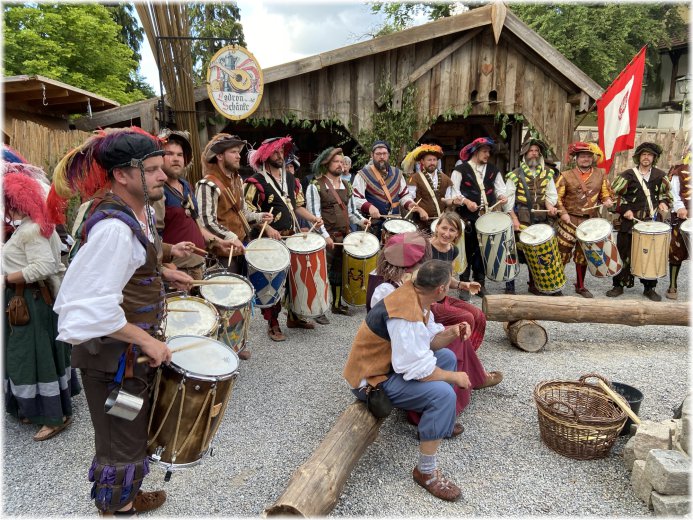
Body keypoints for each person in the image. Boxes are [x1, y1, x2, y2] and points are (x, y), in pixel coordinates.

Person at [51, 127, 196, 516]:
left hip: (126, 353)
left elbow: (135, 257)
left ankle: (124, 494)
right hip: (113, 357)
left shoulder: (138, 209)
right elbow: (88, 308)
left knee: (130, 430)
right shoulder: (113, 228)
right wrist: (147, 342)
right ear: (122, 175)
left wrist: (165, 266)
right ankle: (118, 507)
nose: (163, 175)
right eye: (151, 170)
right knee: (120, 436)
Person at [344, 259, 471, 502]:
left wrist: (452, 331)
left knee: (445, 356)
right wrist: (454, 378)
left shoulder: (417, 296)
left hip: (388, 367)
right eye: (449, 285)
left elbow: (429, 344)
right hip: (372, 381)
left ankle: (433, 424)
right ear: (441, 290)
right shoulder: (406, 313)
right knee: (444, 394)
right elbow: (417, 369)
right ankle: (425, 472)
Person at [367, 228, 501, 423]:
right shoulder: (390, 292)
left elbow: (425, 327)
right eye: (422, 262)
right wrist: (449, 375)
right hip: (386, 360)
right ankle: (427, 411)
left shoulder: (405, 284)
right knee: (449, 349)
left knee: (456, 336)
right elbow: (408, 349)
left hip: (402, 346)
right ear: (412, 267)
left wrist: (451, 331)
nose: (425, 266)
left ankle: (468, 383)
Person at [3, 167, 80, 441]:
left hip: (29, 301)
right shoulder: (31, 225)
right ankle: (35, 408)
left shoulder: (32, 229)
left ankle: (54, 416)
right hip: (26, 299)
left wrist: (6, 279)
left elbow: (45, 265)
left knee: (35, 357)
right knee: (29, 357)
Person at [244, 136, 324, 341]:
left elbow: (297, 206)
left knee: (294, 278)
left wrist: (313, 218)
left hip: (291, 237)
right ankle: (273, 324)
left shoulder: (291, 179)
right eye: (275, 152)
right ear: (265, 155)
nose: (280, 156)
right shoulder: (255, 182)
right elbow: (247, 213)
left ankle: (294, 317)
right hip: (268, 240)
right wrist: (267, 227)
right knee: (273, 282)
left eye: (282, 152)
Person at [151, 129, 233, 281]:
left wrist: (218, 242)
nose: (176, 159)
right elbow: (153, 236)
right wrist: (165, 267)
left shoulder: (186, 185)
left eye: (180, 155)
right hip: (177, 274)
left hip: (198, 269)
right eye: (169, 154)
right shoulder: (158, 192)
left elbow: (198, 226)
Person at [305, 146, 367, 322]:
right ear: (326, 163)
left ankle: (337, 304)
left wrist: (362, 221)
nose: (340, 165)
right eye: (336, 162)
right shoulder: (315, 185)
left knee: (339, 272)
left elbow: (352, 212)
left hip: (344, 236)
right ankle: (318, 309)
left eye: (342, 162)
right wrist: (325, 235)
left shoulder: (347, 185)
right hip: (324, 237)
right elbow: (314, 216)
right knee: (321, 273)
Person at [196, 133, 272, 272]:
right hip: (222, 254)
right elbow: (206, 221)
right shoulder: (208, 184)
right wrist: (230, 237)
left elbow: (241, 212)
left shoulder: (237, 180)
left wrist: (259, 216)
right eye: (233, 152)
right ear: (219, 156)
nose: (238, 156)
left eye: (238, 152)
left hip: (241, 247)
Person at [607, 142, 672, 301]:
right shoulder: (627, 175)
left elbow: (667, 195)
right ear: (638, 157)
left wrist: (664, 202)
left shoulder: (660, 176)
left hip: (651, 223)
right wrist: (625, 210)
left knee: (650, 254)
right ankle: (618, 285)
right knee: (624, 252)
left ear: (654, 158)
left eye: (649, 155)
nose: (646, 157)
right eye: (643, 154)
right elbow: (614, 196)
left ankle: (649, 288)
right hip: (629, 223)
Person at [554, 142, 614, 298]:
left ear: (592, 158)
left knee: (584, 254)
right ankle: (557, 284)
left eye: (588, 156)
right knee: (562, 253)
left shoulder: (601, 174)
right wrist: (563, 214)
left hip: (590, 221)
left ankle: (580, 285)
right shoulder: (565, 175)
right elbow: (556, 198)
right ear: (576, 159)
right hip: (569, 221)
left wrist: (607, 200)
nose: (585, 159)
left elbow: (605, 194)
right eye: (582, 156)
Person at [451, 137, 508, 299]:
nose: (487, 154)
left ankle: (480, 284)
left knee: (483, 251)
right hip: (466, 218)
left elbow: (500, 189)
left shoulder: (493, 170)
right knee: (467, 251)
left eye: (489, 151)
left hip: (486, 219)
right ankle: (464, 286)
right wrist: (466, 201)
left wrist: (502, 196)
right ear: (475, 152)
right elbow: (453, 193)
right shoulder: (460, 170)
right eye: (484, 151)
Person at [504, 138, 559, 295]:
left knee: (538, 250)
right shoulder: (514, 175)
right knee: (513, 251)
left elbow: (551, 195)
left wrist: (550, 208)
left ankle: (534, 284)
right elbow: (508, 199)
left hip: (541, 217)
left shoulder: (548, 173)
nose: (534, 154)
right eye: (531, 151)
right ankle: (510, 286)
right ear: (525, 154)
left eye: (536, 151)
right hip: (521, 216)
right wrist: (513, 218)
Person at [352, 140, 428, 240]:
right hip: (371, 225)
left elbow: (404, 195)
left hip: (394, 225)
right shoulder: (362, 175)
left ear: (388, 155)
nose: (381, 157)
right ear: (372, 155)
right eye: (378, 154)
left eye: (384, 153)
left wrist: (409, 204)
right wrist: (369, 207)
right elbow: (355, 198)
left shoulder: (397, 174)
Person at [402, 144, 461, 230]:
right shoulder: (414, 178)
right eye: (429, 160)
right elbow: (409, 199)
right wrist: (419, 210)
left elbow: (446, 200)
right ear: (422, 161)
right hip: (420, 224)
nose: (432, 163)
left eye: (434, 160)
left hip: (439, 224)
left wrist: (453, 201)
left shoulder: (446, 179)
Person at [666, 150, 691, 300]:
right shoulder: (679, 170)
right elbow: (673, 192)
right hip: (684, 214)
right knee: (677, 251)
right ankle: (673, 285)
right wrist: (680, 207)